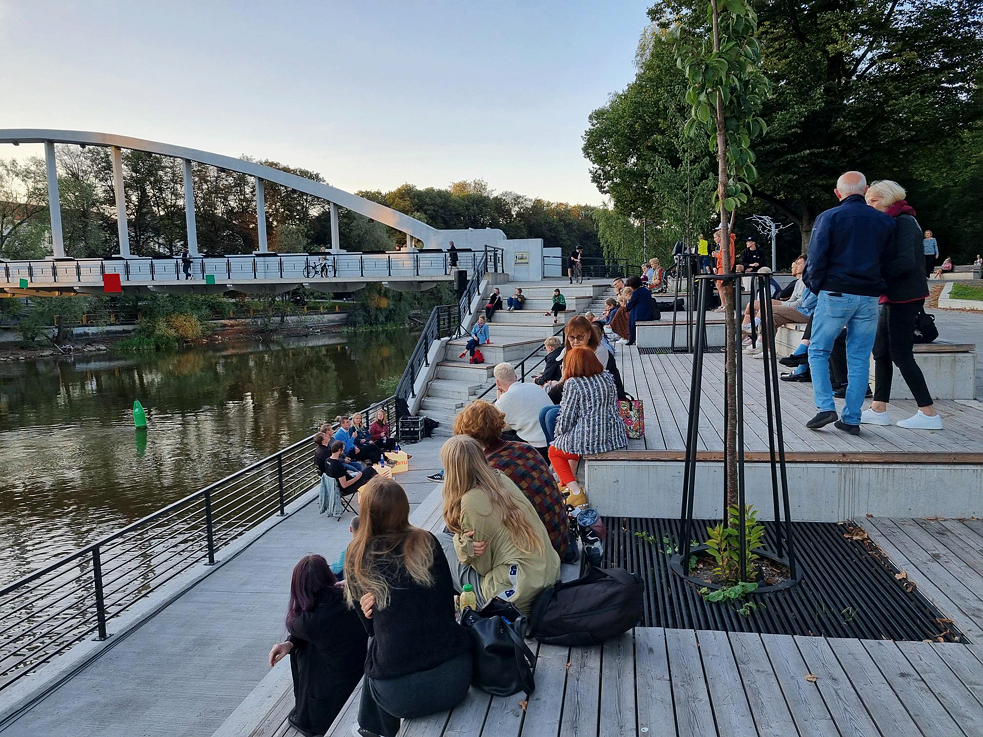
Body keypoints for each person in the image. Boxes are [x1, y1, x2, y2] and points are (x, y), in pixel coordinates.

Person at [345, 478, 472, 737]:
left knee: (377, 645)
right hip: (456, 679)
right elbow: (447, 607)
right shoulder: (427, 541)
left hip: (399, 698)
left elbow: (370, 629)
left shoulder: (357, 556)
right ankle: (369, 727)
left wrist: (372, 611)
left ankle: (373, 728)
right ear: (405, 508)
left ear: (366, 513)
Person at [802, 171, 896, 435]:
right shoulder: (884, 222)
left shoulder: (829, 217)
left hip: (835, 292)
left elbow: (816, 258)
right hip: (868, 297)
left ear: (837, 192)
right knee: (859, 357)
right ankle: (852, 418)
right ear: (866, 191)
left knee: (819, 350)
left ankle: (825, 406)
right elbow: (889, 261)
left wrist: (816, 286)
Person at [437, 435, 560, 614]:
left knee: (438, 541)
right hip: (544, 576)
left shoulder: (471, 501)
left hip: (515, 596)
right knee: (451, 535)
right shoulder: (500, 479)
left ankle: (450, 608)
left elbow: (482, 567)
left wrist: (462, 545)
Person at [860, 180, 942, 430]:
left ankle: (928, 413)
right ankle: (878, 407)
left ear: (888, 199)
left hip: (904, 295)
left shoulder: (905, 221)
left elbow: (906, 261)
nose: (870, 205)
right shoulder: (895, 220)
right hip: (893, 295)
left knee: (900, 353)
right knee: (881, 351)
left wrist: (876, 276)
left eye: (874, 201)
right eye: (868, 201)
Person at [452, 401, 574, 562]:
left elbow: (465, 518)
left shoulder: (487, 470)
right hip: (561, 541)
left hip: (538, 553)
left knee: (449, 539)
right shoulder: (526, 448)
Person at [267, 554, 367, 737]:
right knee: (309, 644)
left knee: (305, 649)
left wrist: (291, 643)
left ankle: (306, 709)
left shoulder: (306, 622)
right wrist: (289, 643)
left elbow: (297, 627)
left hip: (333, 693)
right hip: (358, 670)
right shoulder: (351, 596)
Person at [548, 347, 628, 505]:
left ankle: (576, 492)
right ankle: (566, 482)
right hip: (615, 436)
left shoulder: (574, 383)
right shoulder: (607, 377)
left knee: (554, 451)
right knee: (571, 444)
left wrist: (559, 434)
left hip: (592, 439)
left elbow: (567, 417)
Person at [493, 362, 553, 455]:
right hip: (551, 439)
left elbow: (498, 426)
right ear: (516, 377)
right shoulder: (534, 386)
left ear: (497, 383)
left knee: (493, 436)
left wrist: (499, 399)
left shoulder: (505, 399)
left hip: (536, 446)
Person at [621, 275, 655, 346]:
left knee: (631, 316)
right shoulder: (645, 290)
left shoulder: (636, 293)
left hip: (641, 315)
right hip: (648, 313)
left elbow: (629, 306)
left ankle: (631, 338)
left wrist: (626, 304)